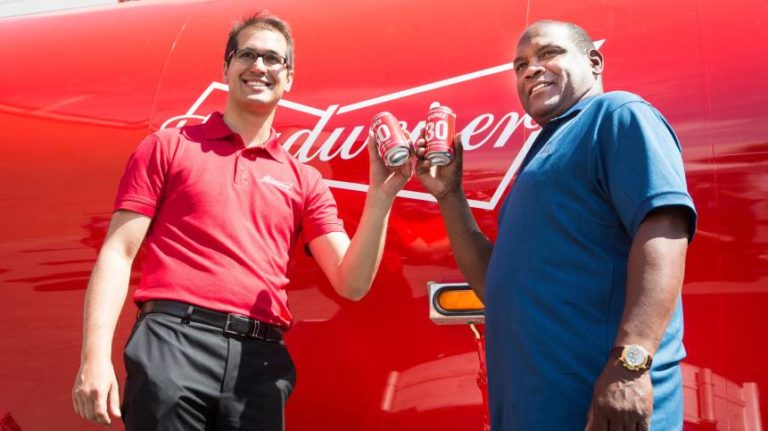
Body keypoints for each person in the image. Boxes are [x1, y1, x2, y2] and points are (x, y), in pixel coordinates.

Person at [72, 12, 411, 430]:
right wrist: (95, 356)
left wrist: (380, 198)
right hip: (173, 343)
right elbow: (118, 253)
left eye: (273, 59)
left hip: (259, 360)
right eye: (247, 54)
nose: (259, 67)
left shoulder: (304, 180)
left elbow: (351, 282)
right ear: (227, 67)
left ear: (289, 78)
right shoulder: (168, 146)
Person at [415, 20, 696, 430]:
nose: (530, 69)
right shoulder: (542, 156)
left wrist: (630, 365)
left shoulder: (617, 114)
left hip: (601, 413)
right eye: (520, 65)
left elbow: (665, 231)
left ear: (594, 61)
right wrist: (449, 195)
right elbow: (494, 283)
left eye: (548, 54)